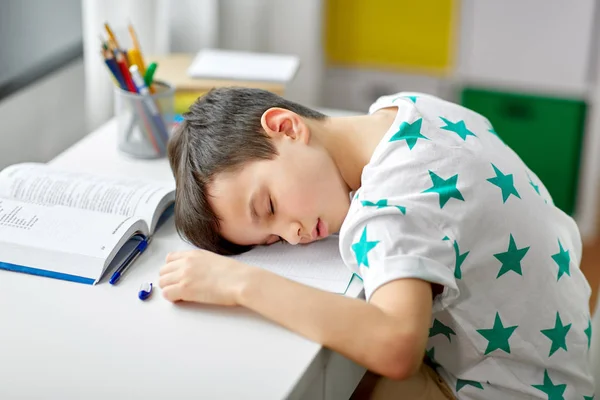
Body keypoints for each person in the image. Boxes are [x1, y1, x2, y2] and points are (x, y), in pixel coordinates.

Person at [160, 87, 594, 399]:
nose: (292, 236)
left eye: (269, 205)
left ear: (285, 127)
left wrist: (241, 284)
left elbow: (396, 345)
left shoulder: (389, 208)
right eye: (272, 238)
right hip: (567, 359)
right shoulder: (405, 107)